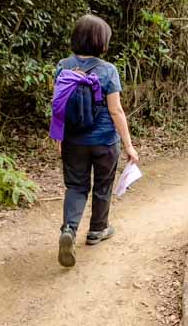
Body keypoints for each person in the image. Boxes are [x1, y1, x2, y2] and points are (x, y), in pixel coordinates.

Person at [50, 15, 139, 268]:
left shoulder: (62, 66)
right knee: (103, 184)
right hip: (104, 141)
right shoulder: (108, 70)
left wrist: (58, 135)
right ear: (101, 42)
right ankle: (97, 230)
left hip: (73, 140)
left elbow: (58, 105)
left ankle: (69, 229)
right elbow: (116, 111)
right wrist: (129, 145)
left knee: (76, 187)